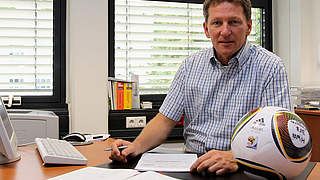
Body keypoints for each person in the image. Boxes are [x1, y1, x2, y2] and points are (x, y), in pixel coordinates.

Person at [110, 0, 292, 175]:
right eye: (217, 23)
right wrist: (135, 146)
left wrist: (236, 158)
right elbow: (164, 120)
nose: (225, 31)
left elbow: (279, 136)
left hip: (242, 168)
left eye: (234, 22)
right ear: (206, 29)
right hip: (193, 166)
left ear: (249, 27)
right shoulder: (190, 65)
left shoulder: (271, 67)